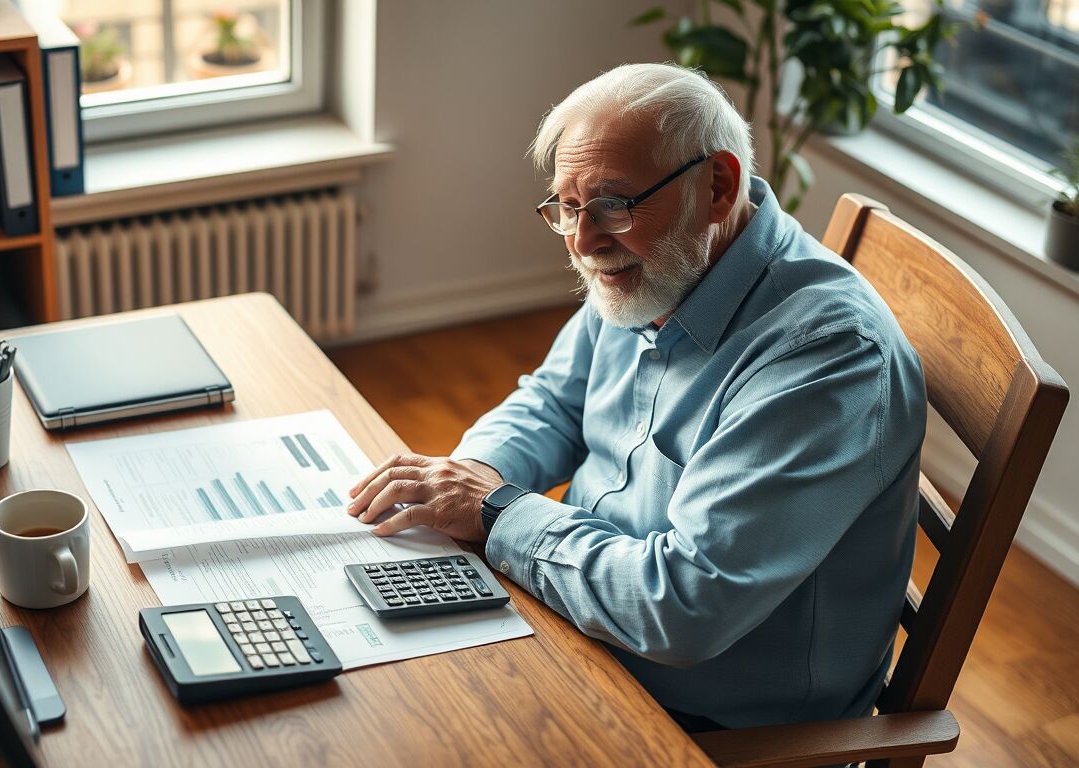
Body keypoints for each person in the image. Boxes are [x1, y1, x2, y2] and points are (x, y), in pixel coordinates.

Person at [345, 63, 927, 731]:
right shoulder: (665, 262)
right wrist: (462, 486)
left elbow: (683, 605)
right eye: (566, 205)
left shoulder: (826, 358)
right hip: (581, 618)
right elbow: (554, 404)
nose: (583, 241)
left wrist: (497, 512)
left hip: (705, 721)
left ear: (718, 186)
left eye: (614, 205)